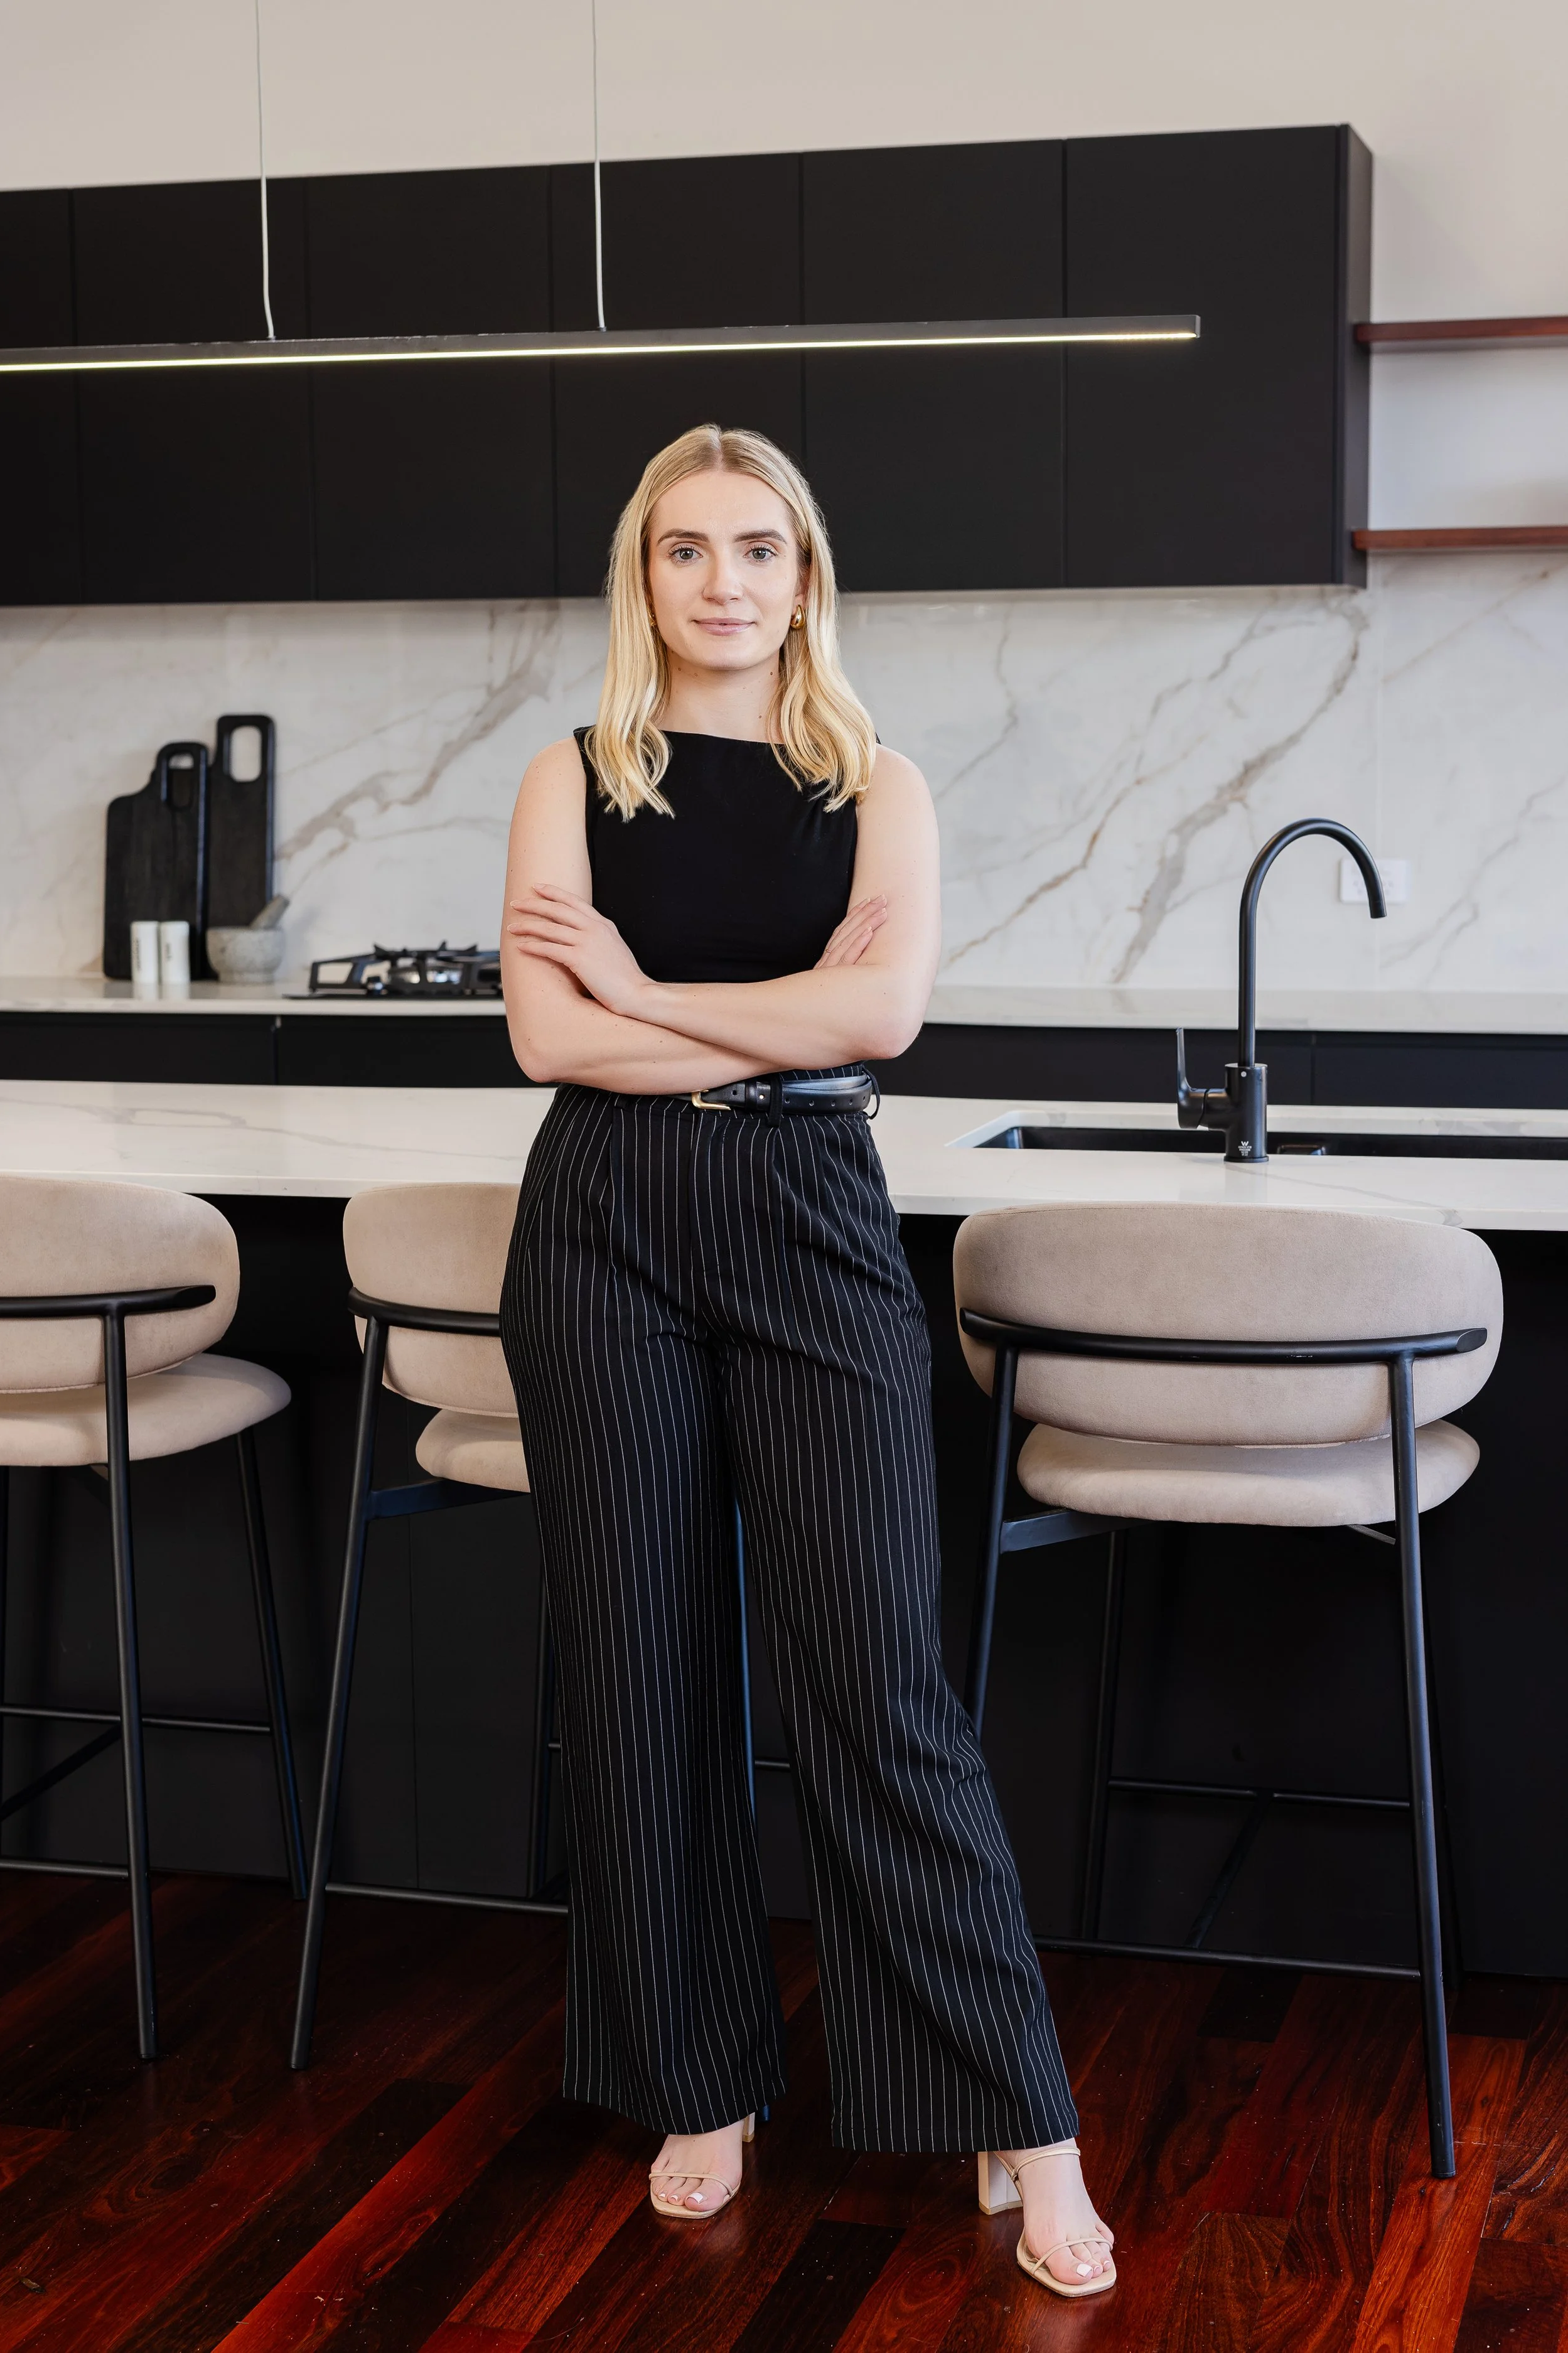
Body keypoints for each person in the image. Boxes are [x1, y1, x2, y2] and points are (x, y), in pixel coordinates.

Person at [498, 423, 1115, 2301]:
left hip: (812, 1222)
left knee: (876, 1687)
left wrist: (644, 989)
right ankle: (698, 2085)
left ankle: (1022, 2115)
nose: (723, 582)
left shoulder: (877, 784)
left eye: (756, 548)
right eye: (685, 549)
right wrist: (761, 1021)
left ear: (804, 575)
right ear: (644, 575)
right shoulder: (570, 776)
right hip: (598, 1228)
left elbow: (885, 1015)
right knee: (639, 1674)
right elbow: (547, 1043)